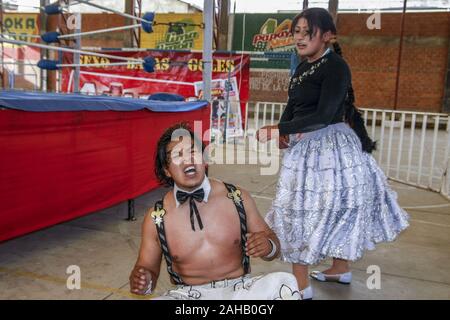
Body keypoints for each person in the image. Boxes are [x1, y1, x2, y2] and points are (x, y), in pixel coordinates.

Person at [256, 8, 409, 300]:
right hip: (304, 147)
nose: (299, 38)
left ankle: (301, 287)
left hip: (332, 149)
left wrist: (280, 127)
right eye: (296, 32)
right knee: (305, 209)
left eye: (307, 32)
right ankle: (339, 270)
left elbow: (324, 115)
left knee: (309, 210)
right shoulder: (302, 67)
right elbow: (293, 107)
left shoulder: (336, 67)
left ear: (327, 36)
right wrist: (285, 135)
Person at [129, 123, 301, 300]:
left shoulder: (237, 197)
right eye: (178, 155)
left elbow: (274, 246)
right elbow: (147, 268)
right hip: (189, 297)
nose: (188, 160)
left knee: (285, 282)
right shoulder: (156, 217)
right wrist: (144, 281)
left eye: (192, 152)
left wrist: (268, 246)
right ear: (167, 170)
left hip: (240, 293)